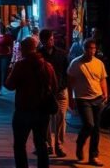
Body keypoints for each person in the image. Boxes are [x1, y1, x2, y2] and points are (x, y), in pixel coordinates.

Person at [5, 36, 57, 168]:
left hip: (24, 109)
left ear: (24, 49)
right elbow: (55, 86)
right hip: (42, 110)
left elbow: (9, 85)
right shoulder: (47, 66)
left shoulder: (21, 65)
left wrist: (10, 69)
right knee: (41, 142)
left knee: (20, 144)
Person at [67, 38, 107, 166]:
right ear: (84, 49)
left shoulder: (99, 63)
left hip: (98, 98)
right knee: (89, 124)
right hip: (82, 98)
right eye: (89, 48)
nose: (91, 51)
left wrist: (105, 93)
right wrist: (70, 98)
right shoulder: (76, 63)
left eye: (94, 48)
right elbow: (70, 81)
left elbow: (102, 79)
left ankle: (93, 156)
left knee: (96, 128)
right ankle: (80, 142)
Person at [38, 28, 69, 158]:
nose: (50, 42)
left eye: (51, 39)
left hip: (61, 90)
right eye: (47, 40)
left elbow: (67, 72)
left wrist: (64, 85)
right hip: (45, 91)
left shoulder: (61, 54)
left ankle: (59, 144)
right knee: (47, 119)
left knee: (61, 117)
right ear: (42, 41)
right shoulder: (38, 54)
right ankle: (49, 144)